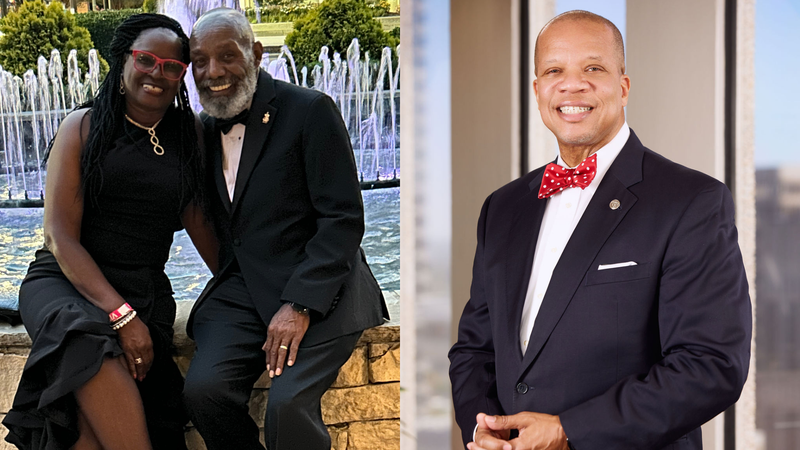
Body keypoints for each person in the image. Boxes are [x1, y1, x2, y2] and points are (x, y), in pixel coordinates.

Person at [449, 10, 752, 450]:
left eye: (593, 68)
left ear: (623, 87)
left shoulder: (692, 201)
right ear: (538, 91)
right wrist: (482, 428)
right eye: (555, 70)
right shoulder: (502, 207)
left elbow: (712, 365)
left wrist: (569, 430)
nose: (573, 85)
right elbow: (475, 350)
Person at [2, 14, 217, 450]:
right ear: (123, 61)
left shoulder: (188, 135)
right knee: (87, 345)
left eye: (172, 66)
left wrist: (263, 286)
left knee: (83, 421)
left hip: (143, 289)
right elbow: (59, 238)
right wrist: (121, 314)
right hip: (64, 283)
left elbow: (206, 229)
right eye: (145, 59)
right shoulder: (82, 127)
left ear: (181, 77)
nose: (157, 72)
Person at [182, 8, 389, 450]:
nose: (213, 72)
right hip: (245, 287)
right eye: (200, 60)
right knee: (203, 392)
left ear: (255, 55)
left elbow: (344, 218)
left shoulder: (309, 110)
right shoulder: (202, 127)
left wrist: (299, 303)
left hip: (322, 286)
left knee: (287, 406)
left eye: (227, 56)